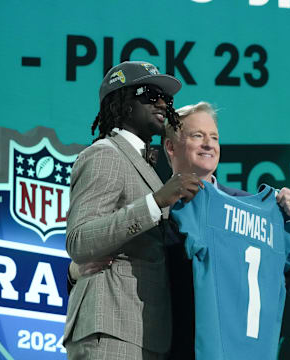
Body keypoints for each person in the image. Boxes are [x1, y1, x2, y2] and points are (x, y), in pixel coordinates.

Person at [63, 61, 204, 360]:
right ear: (124, 103)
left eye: (167, 98)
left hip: (146, 332)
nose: (163, 103)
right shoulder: (104, 155)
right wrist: (155, 202)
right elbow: (79, 240)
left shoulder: (147, 166)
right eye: (151, 94)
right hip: (111, 329)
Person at [163, 101, 290, 360]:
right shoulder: (156, 204)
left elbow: (285, 270)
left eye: (214, 137)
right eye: (198, 136)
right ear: (170, 146)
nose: (209, 144)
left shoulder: (251, 207)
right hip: (178, 345)